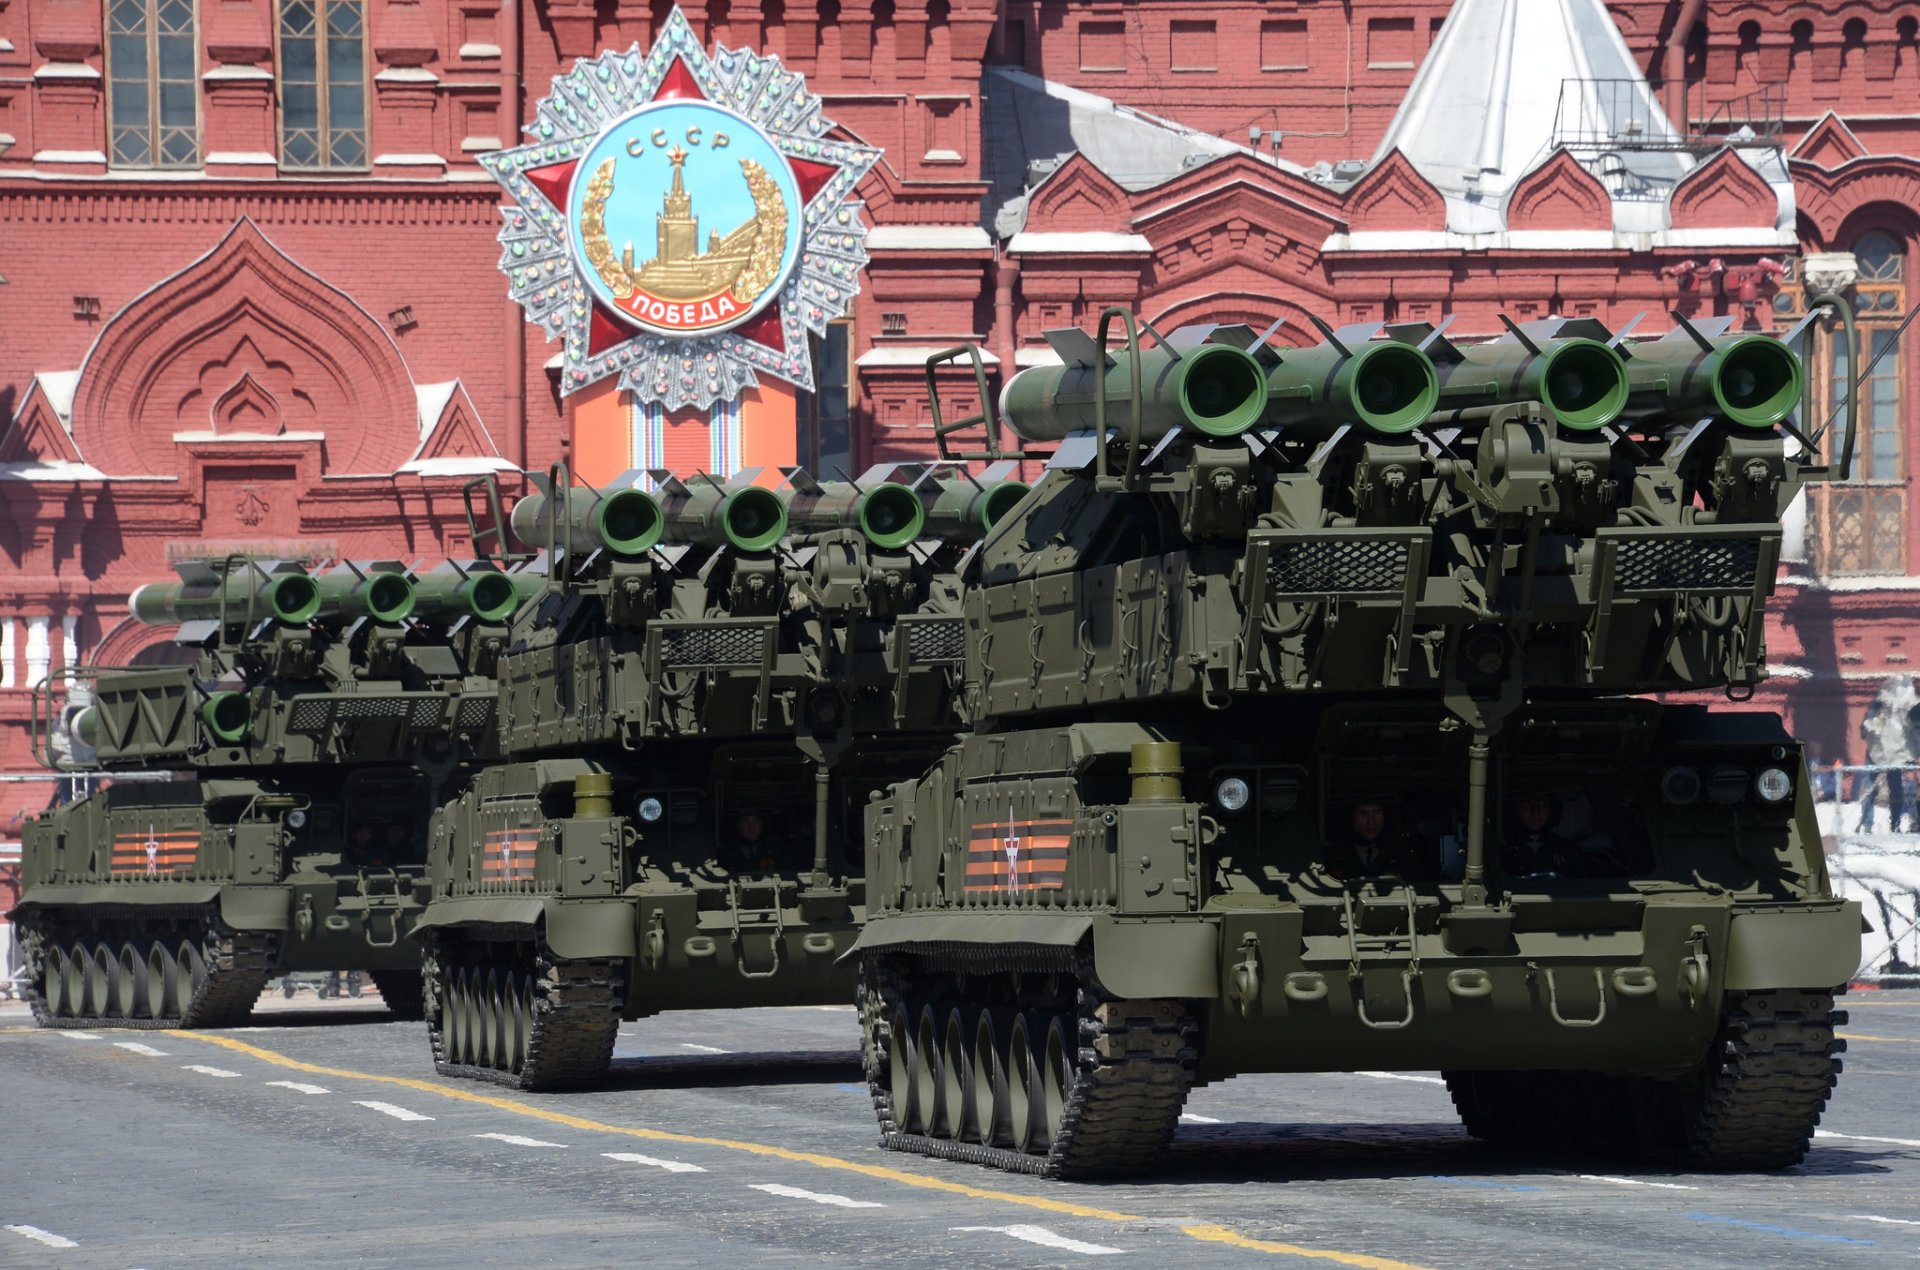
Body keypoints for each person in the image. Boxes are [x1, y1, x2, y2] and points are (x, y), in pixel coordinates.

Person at [1327, 801, 1420, 880]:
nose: (1371, 821)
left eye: (1377, 812)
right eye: (1364, 813)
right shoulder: (1332, 855)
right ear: (1351, 818)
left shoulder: (1402, 855)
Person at [1503, 797, 1581, 877]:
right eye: (1526, 804)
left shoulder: (1567, 849)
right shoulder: (1500, 849)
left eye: (1543, 804)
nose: (1535, 811)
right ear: (1515, 808)